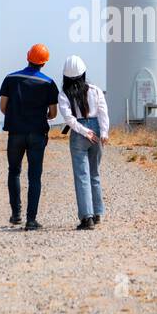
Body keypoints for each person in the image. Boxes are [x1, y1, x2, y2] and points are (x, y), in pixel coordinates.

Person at [0, 43, 59, 230]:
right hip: (37, 134)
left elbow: (2, 107)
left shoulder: (10, 78)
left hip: (15, 132)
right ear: (44, 63)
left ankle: (16, 214)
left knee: (14, 171)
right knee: (34, 177)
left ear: (27, 57)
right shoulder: (48, 83)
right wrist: (44, 115)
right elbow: (53, 113)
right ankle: (31, 220)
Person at [58, 55, 109, 230]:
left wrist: (84, 131)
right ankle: (97, 213)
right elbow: (103, 112)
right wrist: (104, 132)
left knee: (82, 176)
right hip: (96, 130)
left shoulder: (64, 94)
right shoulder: (95, 90)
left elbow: (69, 119)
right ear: (83, 73)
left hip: (80, 133)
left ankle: (86, 218)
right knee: (94, 173)